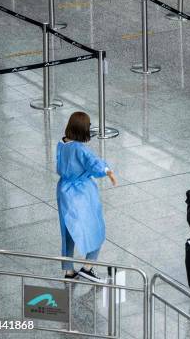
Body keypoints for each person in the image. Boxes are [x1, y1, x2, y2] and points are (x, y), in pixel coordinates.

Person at [56, 111, 117, 282]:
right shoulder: (80, 148)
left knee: (68, 231)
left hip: (64, 190)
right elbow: (94, 163)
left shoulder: (61, 144)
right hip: (81, 193)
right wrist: (107, 171)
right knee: (94, 228)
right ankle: (88, 267)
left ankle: (68, 271)